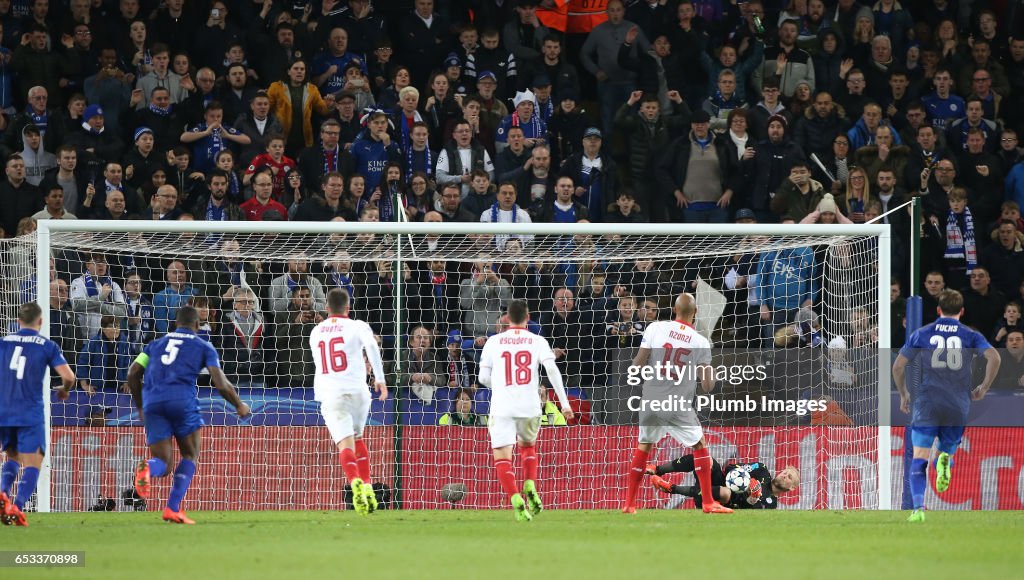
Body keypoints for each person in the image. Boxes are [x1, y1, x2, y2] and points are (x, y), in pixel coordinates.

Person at [128, 306, 250, 524]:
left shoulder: (154, 345)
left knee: (163, 464)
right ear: (197, 325)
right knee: (190, 455)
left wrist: (140, 405)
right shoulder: (204, 346)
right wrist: (239, 405)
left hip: (153, 404)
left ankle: (147, 467)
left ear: (176, 324)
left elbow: (133, 372)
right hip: (182, 401)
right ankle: (172, 508)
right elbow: (220, 383)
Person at [892, 289, 1001, 523]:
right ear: (962, 311)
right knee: (946, 449)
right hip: (958, 402)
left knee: (919, 458)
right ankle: (946, 458)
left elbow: (898, 367)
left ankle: (918, 509)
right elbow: (995, 357)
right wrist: (983, 387)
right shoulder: (970, 334)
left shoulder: (922, 333)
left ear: (938, 310)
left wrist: (903, 394)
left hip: (927, 401)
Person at [621, 293, 732, 514]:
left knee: (644, 445)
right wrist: (711, 368)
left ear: (674, 309)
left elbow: (637, 364)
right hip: (676, 404)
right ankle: (709, 502)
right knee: (700, 446)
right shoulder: (700, 341)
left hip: (650, 400)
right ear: (696, 313)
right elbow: (708, 386)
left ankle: (629, 504)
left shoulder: (655, 328)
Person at [478, 299, 573, 521]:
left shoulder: (493, 342)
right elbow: (551, 369)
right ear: (528, 318)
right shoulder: (537, 340)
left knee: (503, 456)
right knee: (528, 447)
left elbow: (483, 378)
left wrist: (500, 384)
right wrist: (565, 404)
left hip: (502, 406)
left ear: (506, 319)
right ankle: (530, 483)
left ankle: (515, 499)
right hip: (530, 406)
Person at [309, 288, 387, 516]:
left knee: (345, 445)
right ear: (348, 307)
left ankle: (355, 483)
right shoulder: (358, 325)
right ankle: (369, 486)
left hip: (332, 393)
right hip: (359, 391)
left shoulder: (316, 331)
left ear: (326, 308)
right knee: (359, 438)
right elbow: (372, 346)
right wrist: (380, 380)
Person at [0, 302, 77, 526]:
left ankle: (4, 492)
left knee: (12, 456)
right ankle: (18, 506)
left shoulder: (3, 342)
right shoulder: (46, 345)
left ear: (18, 321)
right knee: (34, 462)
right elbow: (69, 377)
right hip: (29, 412)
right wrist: (64, 390)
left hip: (4, 411)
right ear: (41, 321)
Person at [648, 455, 799, 509]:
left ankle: (671, 488)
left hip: (720, 503)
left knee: (725, 493)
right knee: (706, 459)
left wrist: (752, 498)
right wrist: (746, 478)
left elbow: (748, 515)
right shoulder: (761, 469)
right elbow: (731, 467)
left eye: (789, 477)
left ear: (792, 488)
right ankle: (658, 469)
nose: (784, 475)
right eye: (785, 472)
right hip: (718, 481)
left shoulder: (771, 504)